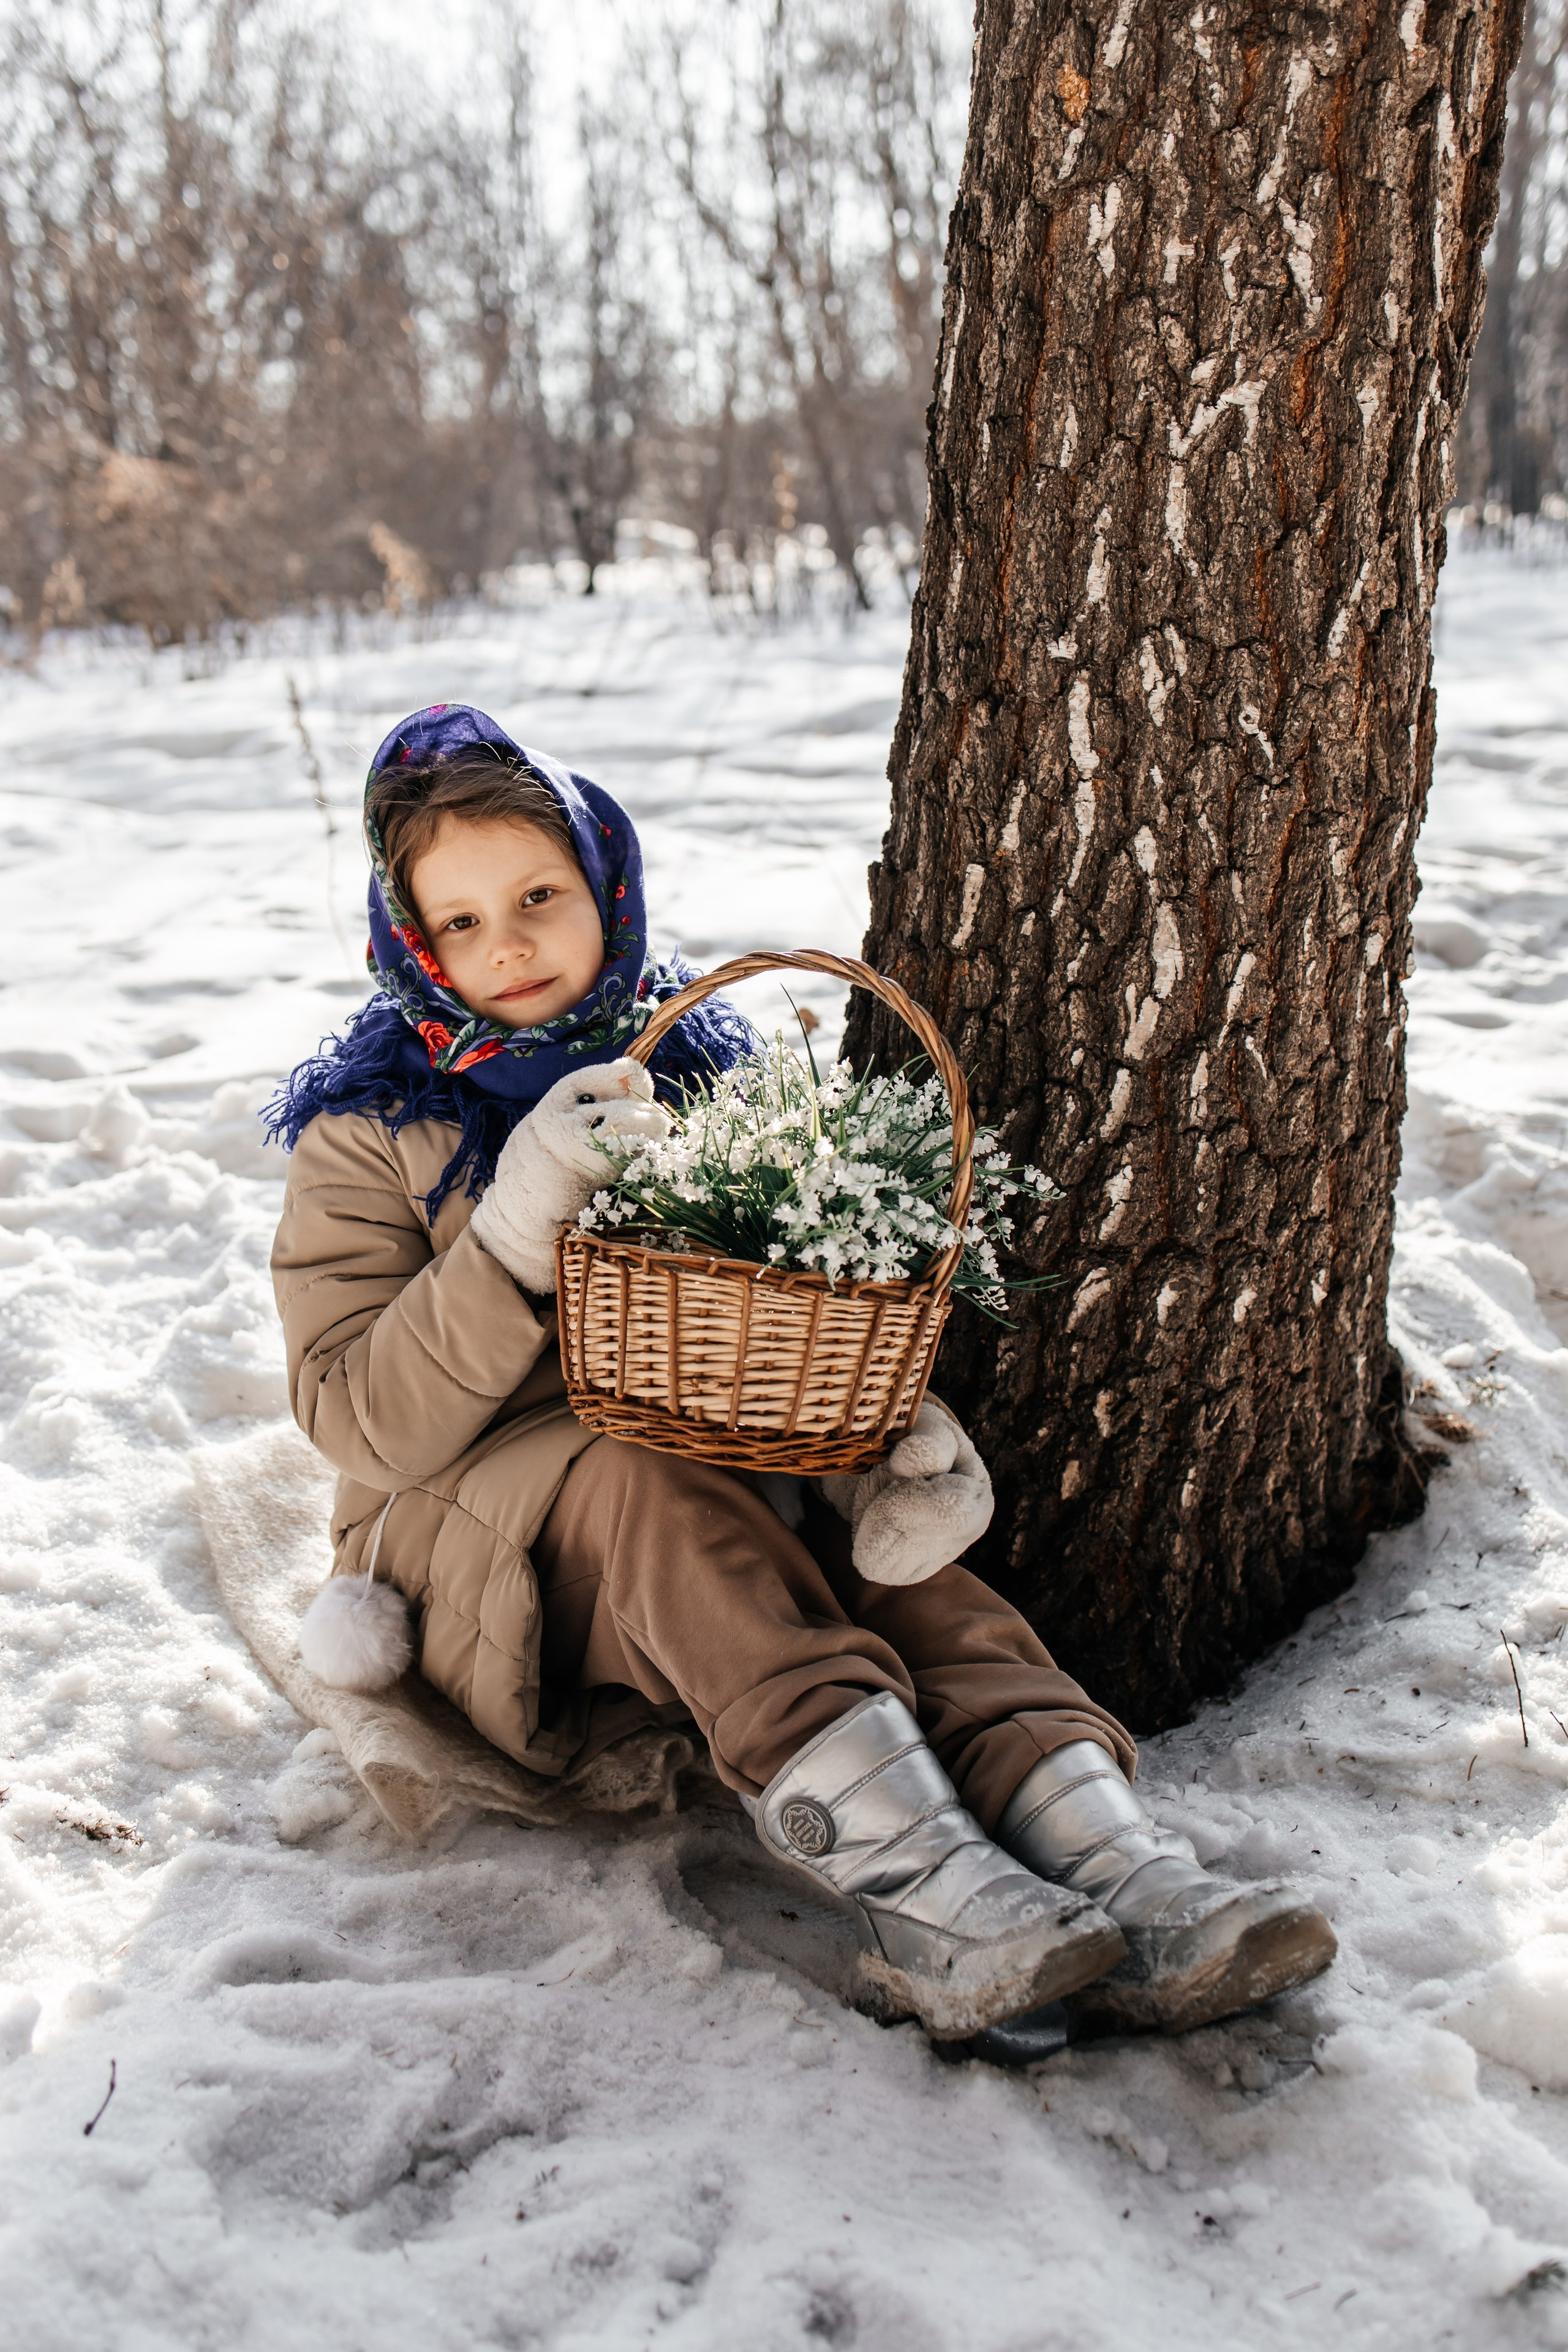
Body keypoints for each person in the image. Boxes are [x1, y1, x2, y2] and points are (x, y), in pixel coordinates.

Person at [268, 702, 1335, 2045]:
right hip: (474, 1533)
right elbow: (358, 1421)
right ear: (411, 944)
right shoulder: (369, 1135)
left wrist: (885, 1446)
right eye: (462, 922)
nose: (512, 943)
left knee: (904, 1578)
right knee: (644, 1478)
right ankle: (925, 1896)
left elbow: (775, 1325)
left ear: (605, 883)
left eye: (539, 894)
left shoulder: (697, 1074)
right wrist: (506, 1228)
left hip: (693, 1467)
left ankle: (1115, 1865)